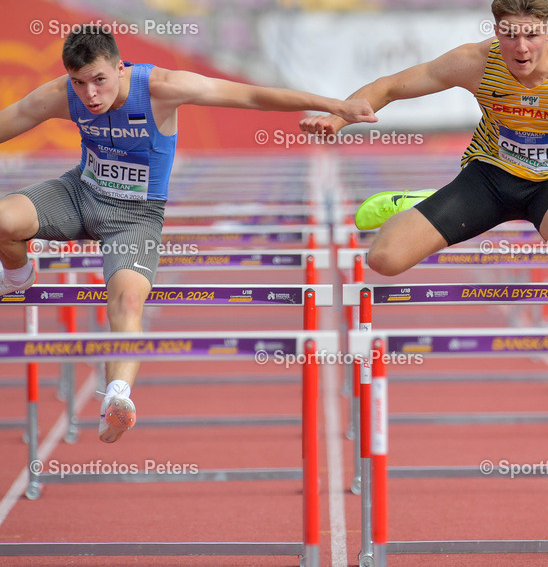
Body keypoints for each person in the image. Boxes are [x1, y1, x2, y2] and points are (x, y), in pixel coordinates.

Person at [0, 25, 375, 442]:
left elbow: (250, 95)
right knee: (3, 218)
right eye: (80, 82)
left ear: (120, 68)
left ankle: (117, 398)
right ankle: (18, 276)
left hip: (135, 216)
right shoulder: (62, 95)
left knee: (126, 298)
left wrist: (336, 105)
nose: (90, 94)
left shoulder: (162, 87)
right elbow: (11, 120)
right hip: (77, 193)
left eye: (99, 80)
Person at [302, 0, 548, 327]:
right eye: (509, 35)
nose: (521, 49)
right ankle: (419, 201)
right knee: (384, 259)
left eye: (531, 35)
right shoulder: (476, 62)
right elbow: (390, 86)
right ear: (496, 31)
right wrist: (337, 119)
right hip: (490, 177)